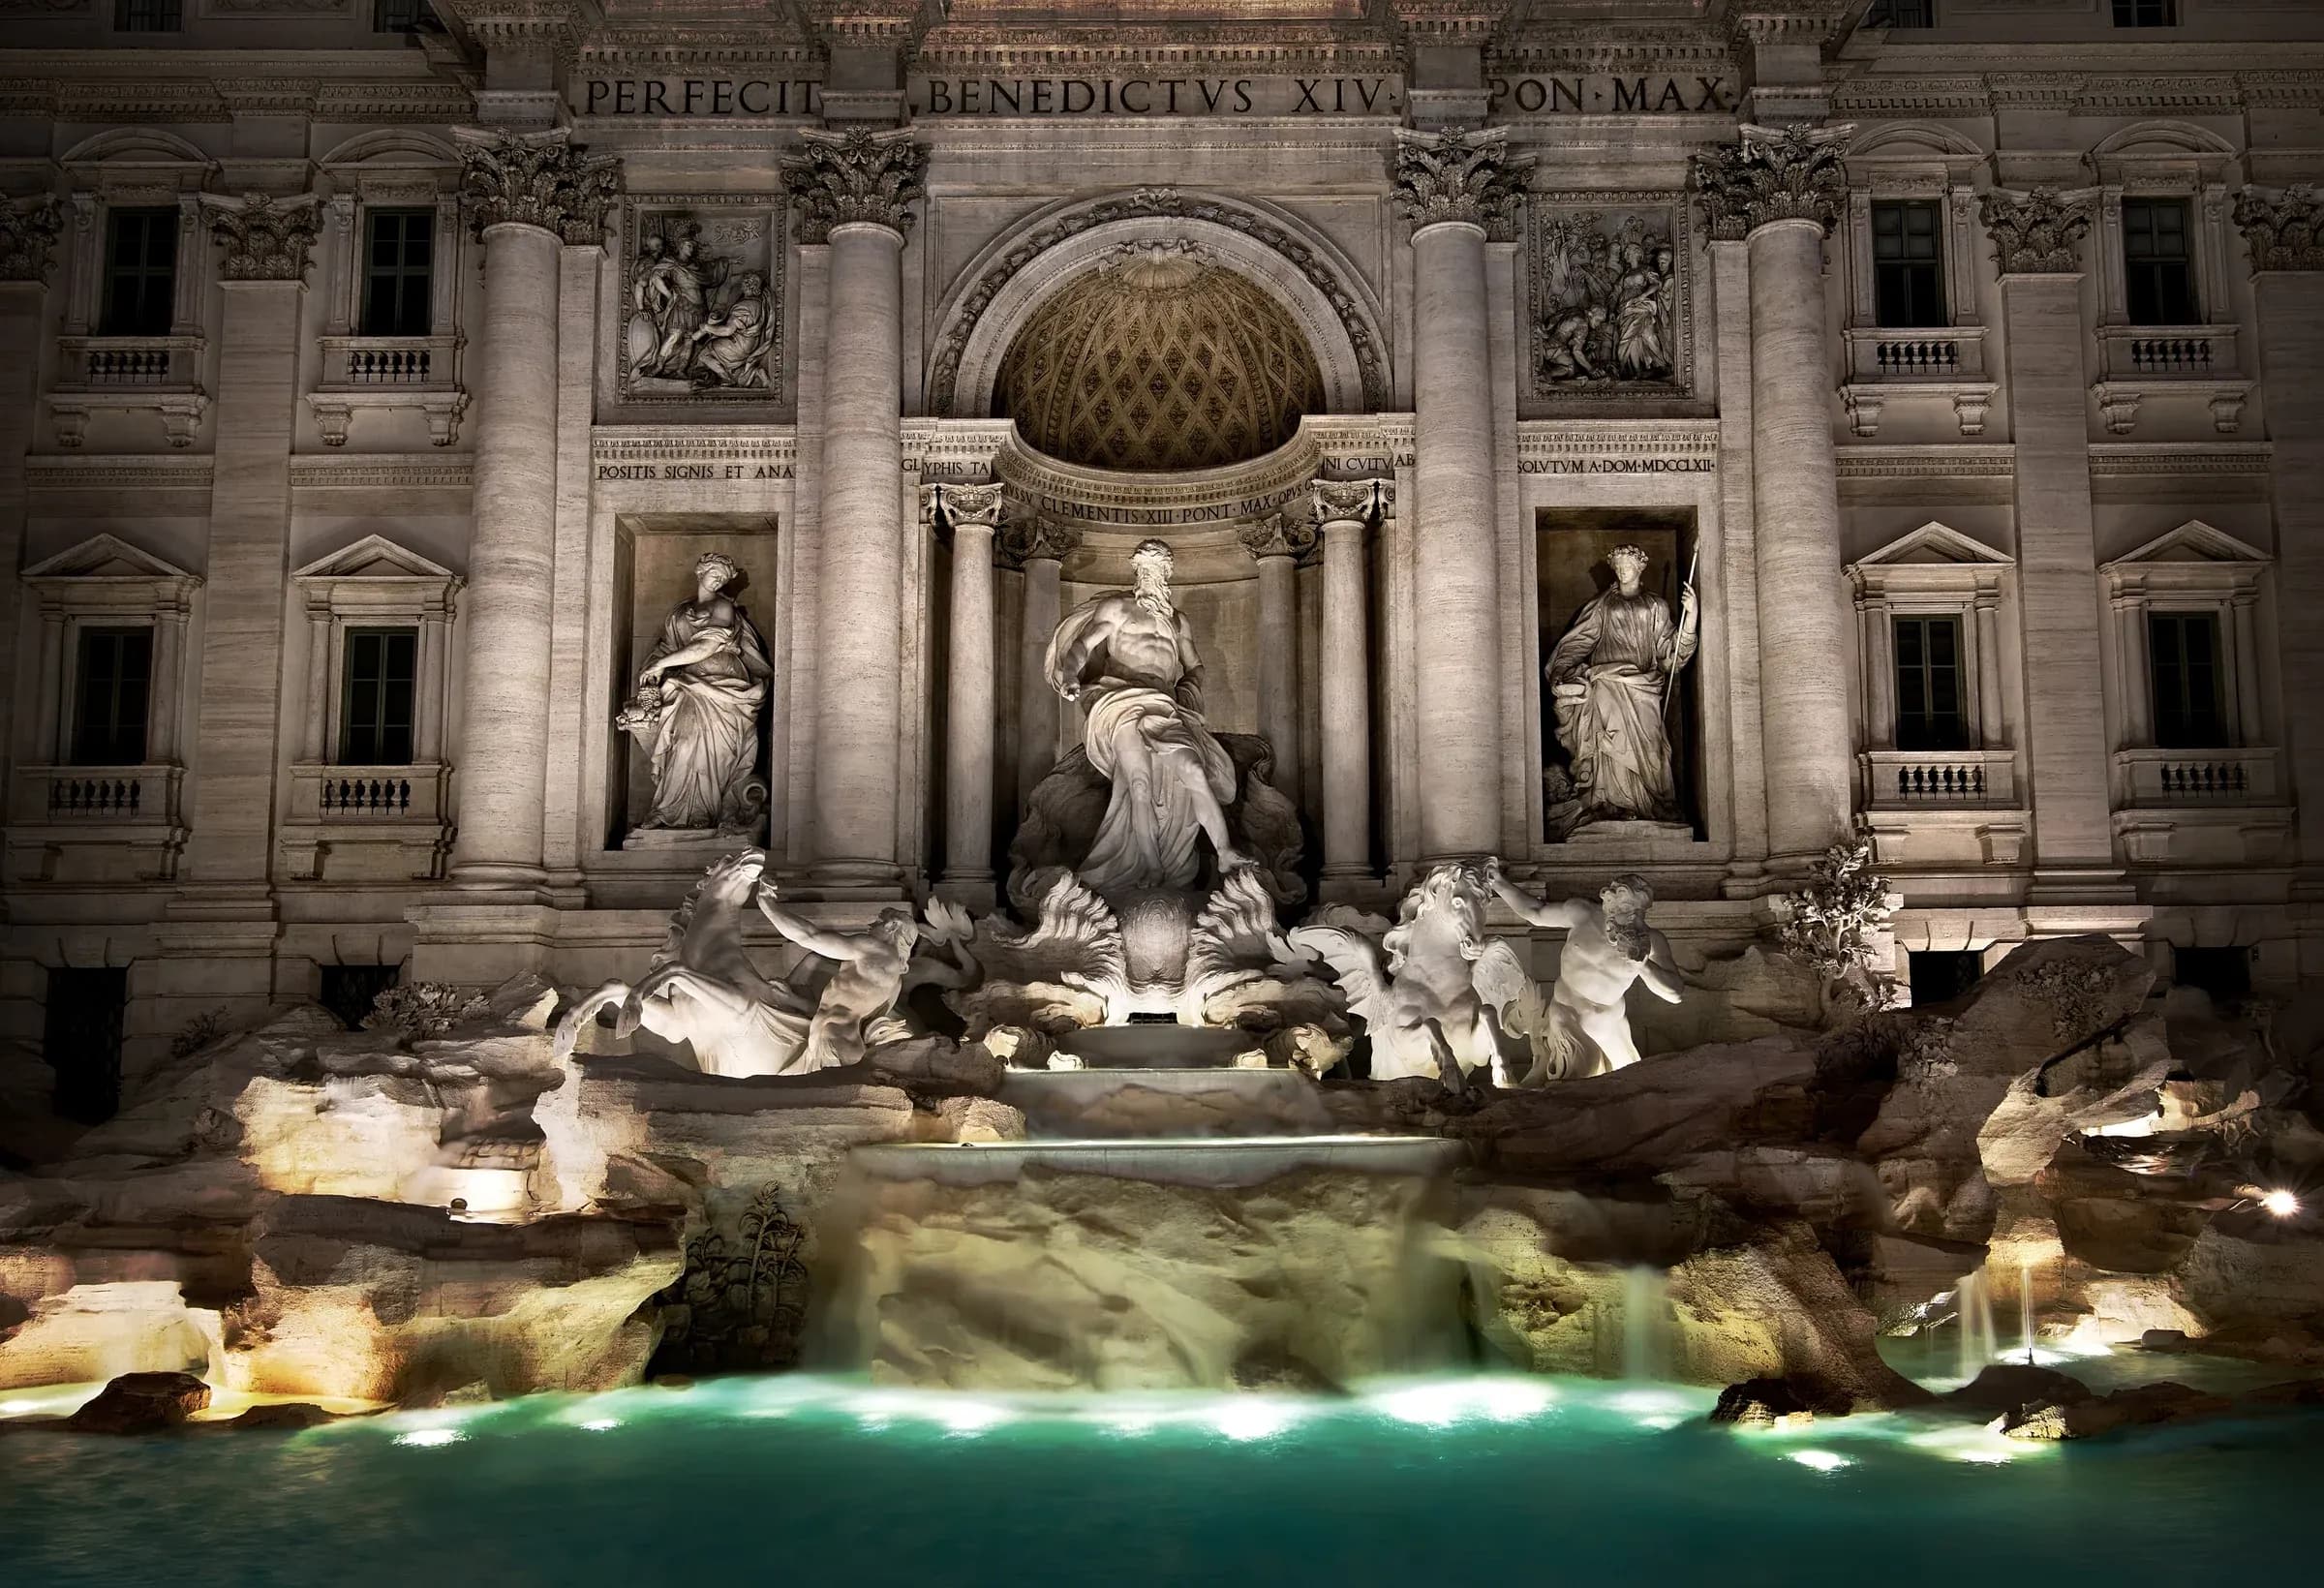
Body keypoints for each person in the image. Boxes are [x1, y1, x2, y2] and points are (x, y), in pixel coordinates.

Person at [1043, 537, 1251, 891]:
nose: (1153, 574)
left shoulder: (1178, 621)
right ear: (1137, 570)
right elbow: (1083, 646)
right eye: (1147, 567)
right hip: (1121, 701)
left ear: (1168, 572)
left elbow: (1195, 666)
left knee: (1194, 770)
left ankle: (1225, 849)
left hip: (1166, 706)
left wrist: (1188, 692)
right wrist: (1070, 674)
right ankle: (1153, 869)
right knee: (1138, 785)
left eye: (1160, 567)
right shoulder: (1117, 608)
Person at [1544, 543, 1697, 835]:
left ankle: (1648, 804)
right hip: (1606, 682)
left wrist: (1691, 617)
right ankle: (1608, 802)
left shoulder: (1656, 606)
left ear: (1640, 568)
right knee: (1608, 743)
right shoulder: (1603, 604)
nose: (1622, 571)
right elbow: (1579, 641)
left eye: (1628, 566)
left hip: (1643, 688)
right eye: (1618, 567)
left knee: (1651, 748)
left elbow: (1671, 654)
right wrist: (1562, 672)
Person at [1488, 861, 1682, 1079]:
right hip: (1568, 1014)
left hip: (1610, 1022)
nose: (1634, 918)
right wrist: (1499, 883)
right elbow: (1535, 911)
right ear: (1609, 904)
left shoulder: (1651, 941)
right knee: (1580, 1077)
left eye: (1641, 912)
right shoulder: (1582, 914)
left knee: (1632, 1081)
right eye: (1628, 909)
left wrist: (1642, 965)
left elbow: (1674, 994)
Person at [624, 552, 771, 833]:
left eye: (724, 579)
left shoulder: (723, 608)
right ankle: (668, 811)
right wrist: (656, 672)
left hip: (723, 688)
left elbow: (706, 647)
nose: (718, 580)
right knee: (683, 743)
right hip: (686, 687)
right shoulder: (679, 613)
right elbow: (666, 648)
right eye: (715, 574)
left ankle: (706, 812)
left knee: (712, 754)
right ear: (700, 571)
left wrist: (661, 664)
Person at [752, 889, 919, 1072]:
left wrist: (768, 906)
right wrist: (793, 1000)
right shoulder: (896, 981)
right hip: (835, 1041)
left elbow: (810, 936)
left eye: (879, 921)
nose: (871, 925)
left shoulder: (875, 948)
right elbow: (840, 1010)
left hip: (836, 1042)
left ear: (892, 926)